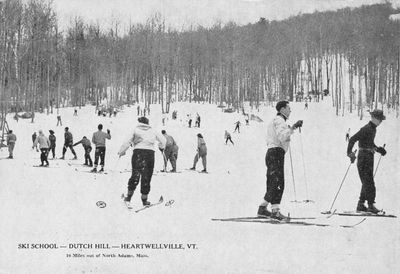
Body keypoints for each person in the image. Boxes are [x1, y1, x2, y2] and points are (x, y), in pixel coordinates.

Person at [257, 101, 303, 220]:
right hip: (276, 152)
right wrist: (293, 128)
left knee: (273, 181)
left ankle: (264, 209)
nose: (290, 111)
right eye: (288, 108)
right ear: (282, 109)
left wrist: (291, 128)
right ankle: (274, 211)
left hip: (272, 152)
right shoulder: (279, 120)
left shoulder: (275, 121)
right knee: (278, 182)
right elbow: (282, 136)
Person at [118, 117, 166, 206]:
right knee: (147, 176)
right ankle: (144, 200)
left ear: (139, 122)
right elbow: (163, 140)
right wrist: (161, 147)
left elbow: (127, 141)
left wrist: (121, 151)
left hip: (138, 152)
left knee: (135, 174)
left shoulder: (135, 130)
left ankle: (128, 197)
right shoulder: (153, 130)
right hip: (150, 154)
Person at [347, 109, 386, 214]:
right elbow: (352, 139)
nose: (380, 122)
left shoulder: (373, 129)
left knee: (366, 181)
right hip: (363, 158)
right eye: (379, 119)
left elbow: (369, 143)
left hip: (369, 156)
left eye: (381, 120)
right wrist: (350, 153)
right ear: (373, 118)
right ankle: (370, 205)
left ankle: (361, 204)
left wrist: (378, 149)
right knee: (369, 182)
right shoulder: (366, 129)